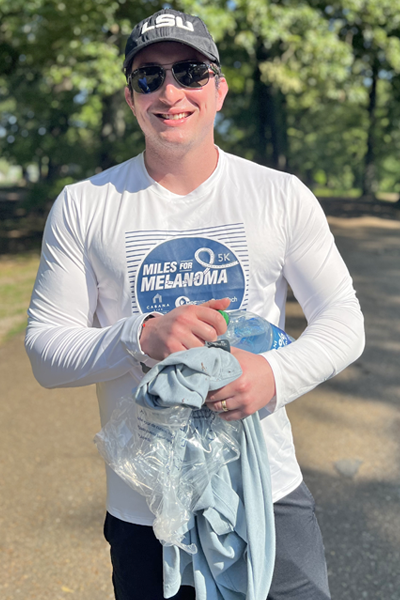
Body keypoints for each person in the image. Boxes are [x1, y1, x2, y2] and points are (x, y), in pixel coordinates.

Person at [25, 8, 365, 600]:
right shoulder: (84, 205)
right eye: (149, 77)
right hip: (148, 511)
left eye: (189, 71)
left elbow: (344, 320)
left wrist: (274, 374)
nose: (171, 92)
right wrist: (139, 335)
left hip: (268, 491)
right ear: (131, 98)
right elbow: (45, 351)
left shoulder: (278, 195)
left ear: (219, 88)